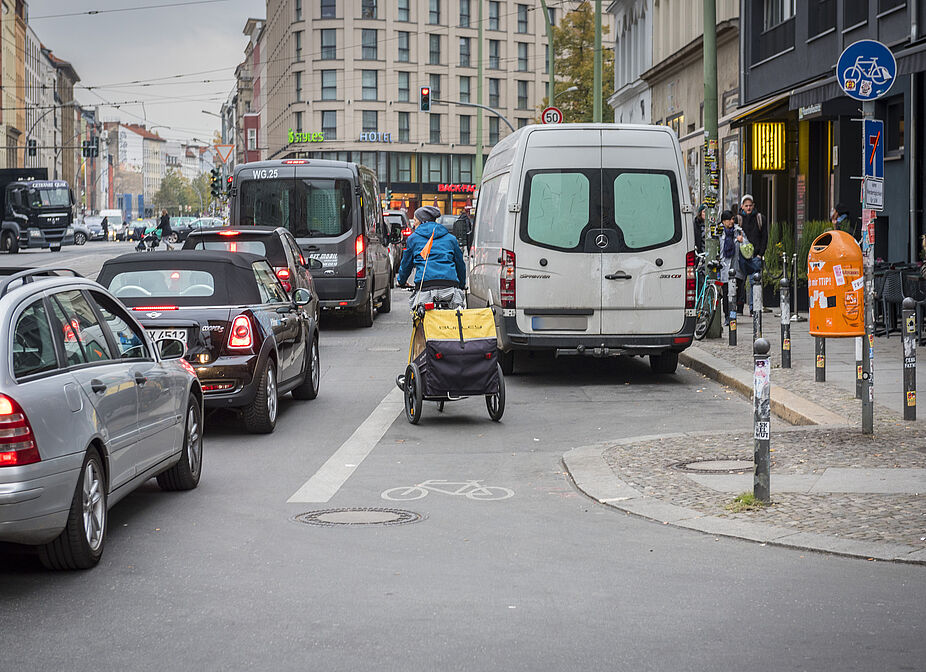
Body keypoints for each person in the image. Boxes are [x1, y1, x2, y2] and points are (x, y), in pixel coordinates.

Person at [397, 205, 467, 309]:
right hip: (449, 288)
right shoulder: (451, 239)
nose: (414, 224)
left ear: (422, 221)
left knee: (420, 316)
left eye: (415, 221)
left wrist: (401, 281)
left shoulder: (413, 239)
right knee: (455, 317)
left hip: (424, 287)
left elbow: (406, 264)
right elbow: (460, 265)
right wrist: (461, 284)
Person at [736, 194, 767, 314]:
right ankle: (739, 308)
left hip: (755, 256)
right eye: (746, 206)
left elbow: (764, 237)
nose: (748, 208)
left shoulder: (760, 218)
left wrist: (760, 254)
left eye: (750, 205)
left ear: (753, 206)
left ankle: (754, 309)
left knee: (755, 283)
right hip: (741, 257)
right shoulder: (738, 219)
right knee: (740, 283)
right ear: (742, 206)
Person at [718, 209, 739, 325]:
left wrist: (740, 240)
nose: (732, 222)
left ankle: (733, 315)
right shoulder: (719, 231)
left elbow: (745, 244)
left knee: (734, 294)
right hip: (723, 267)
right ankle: (728, 316)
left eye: (732, 219)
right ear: (724, 221)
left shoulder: (737, 231)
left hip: (735, 267)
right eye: (729, 219)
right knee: (726, 293)